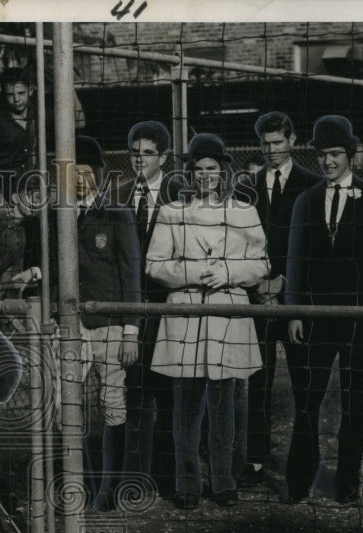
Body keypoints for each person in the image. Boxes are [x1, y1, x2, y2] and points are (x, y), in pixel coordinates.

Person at [146, 133, 268, 509]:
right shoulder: (172, 213)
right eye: (198, 170)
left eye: (212, 169)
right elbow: (155, 266)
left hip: (228, 317)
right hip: (184, 319)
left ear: (224, 171)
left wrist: (229, 274)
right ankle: (186, 486)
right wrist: (196, 274)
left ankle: (224, 483)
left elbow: (261, 263)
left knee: (225, 406)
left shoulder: (245, 212)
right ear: (189, 173)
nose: (205, 176)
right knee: (185, 408)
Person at [283, 115, 363, 506]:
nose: (328, 162)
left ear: (350, 154)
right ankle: (299, 478)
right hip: (314, 320)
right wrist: (293, 311)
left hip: (357, 319)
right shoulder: (306, 200)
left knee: (353, 401)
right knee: (308, 400)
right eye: (322, 154)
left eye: (335, 154)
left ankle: (347, 480)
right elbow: (295, 260)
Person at [49, 136, 141, 512]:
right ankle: (77, 485)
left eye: (86, 172)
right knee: (63, 400)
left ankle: (109, 490)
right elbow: (54, 264)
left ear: (99, 174)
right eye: (73, 173)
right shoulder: (59, 214)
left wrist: (131, 329)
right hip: (71, 323)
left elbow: (130, 270)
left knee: (112, 402)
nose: (80, 180)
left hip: (110, 324)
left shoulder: (115, 211)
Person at [238, 112, 323, 487]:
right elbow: (238, 241)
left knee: (305, 384)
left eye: (277, 142)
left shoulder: (312, 185)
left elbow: (314, 247)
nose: (271, 150)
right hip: (256, 300)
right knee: (258, 381)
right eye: (265, 144)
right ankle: (255, 461)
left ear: (292, 141)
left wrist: (283, 282)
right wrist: (259, 283)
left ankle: (302, 467)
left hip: (295, 301)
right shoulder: (247, 187)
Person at [115, 120, 184, 496]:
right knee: (135, 391)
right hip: (131, 306)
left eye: (148, 154)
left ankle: (170, 475)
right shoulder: (119, 195)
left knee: (171, 391)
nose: (139, 160)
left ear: (164, 156)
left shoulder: (180, 194)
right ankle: (136, 477)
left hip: (168, 305)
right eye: (134, 153)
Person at [0, 67, 38, 202]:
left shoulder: (38, 115)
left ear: (30, 90)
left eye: (21, 93)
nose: (16, 99)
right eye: (10, 95)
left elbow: (80, 123)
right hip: (7, 188)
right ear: (4, 94)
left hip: (34, 184)